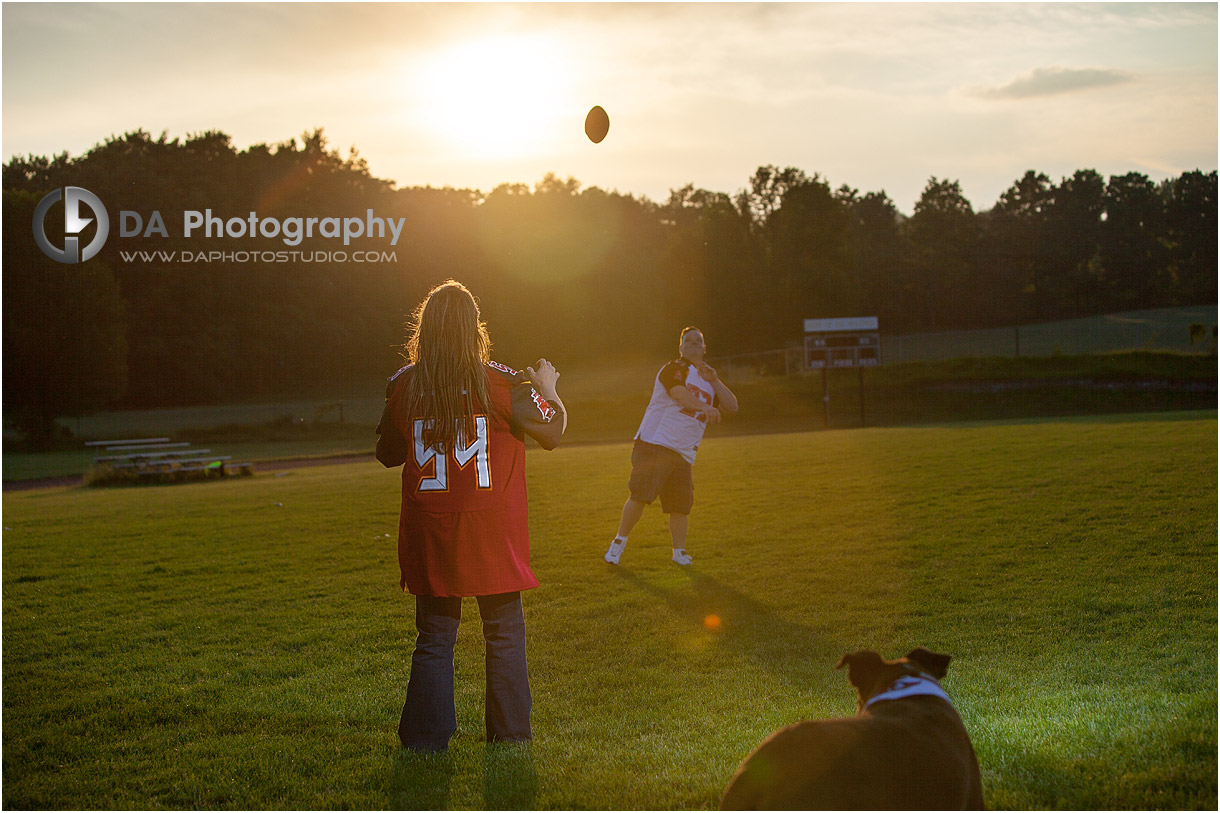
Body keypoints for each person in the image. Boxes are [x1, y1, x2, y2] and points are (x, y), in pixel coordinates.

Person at [376, 279, 566, 752]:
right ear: (473, 328)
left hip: (432, 528)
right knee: (503, 632)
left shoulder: (404, 384)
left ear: (425, 330)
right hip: (490, 529)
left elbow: (387, 453)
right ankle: (510, 734)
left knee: (435, 636)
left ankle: (424, 739)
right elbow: (554, 432)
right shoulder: (501, 383)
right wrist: (548, 389)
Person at [604, 326, 738, 566]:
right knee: (640, 496)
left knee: (680, 506)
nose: (694, 343)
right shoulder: (674, 369)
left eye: (699, 340)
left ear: (705, 348)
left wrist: (715, 380)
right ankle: (618, 543)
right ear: (681, 346)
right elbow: (678, 394)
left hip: (684, 452)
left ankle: (678, 553)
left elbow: (732, 406)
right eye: (688, 340)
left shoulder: (708, 381)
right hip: (656, 444)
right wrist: (706, 407)